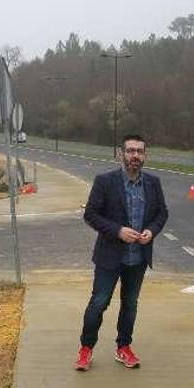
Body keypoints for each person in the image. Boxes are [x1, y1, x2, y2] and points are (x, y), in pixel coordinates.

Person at [74, 134, 169, 371]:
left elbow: (162, 214)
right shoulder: (105, 181)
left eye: (139, 151)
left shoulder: (152, 183)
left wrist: (151, 231)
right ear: (121, 154)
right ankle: (86, 349)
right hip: (109, 256)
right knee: (99, 302)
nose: (135, 155)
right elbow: (91, 215)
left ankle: (123, 347)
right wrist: (117, 231)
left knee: (130, 304)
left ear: (145, 156)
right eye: (130, 151)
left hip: (138, 258)